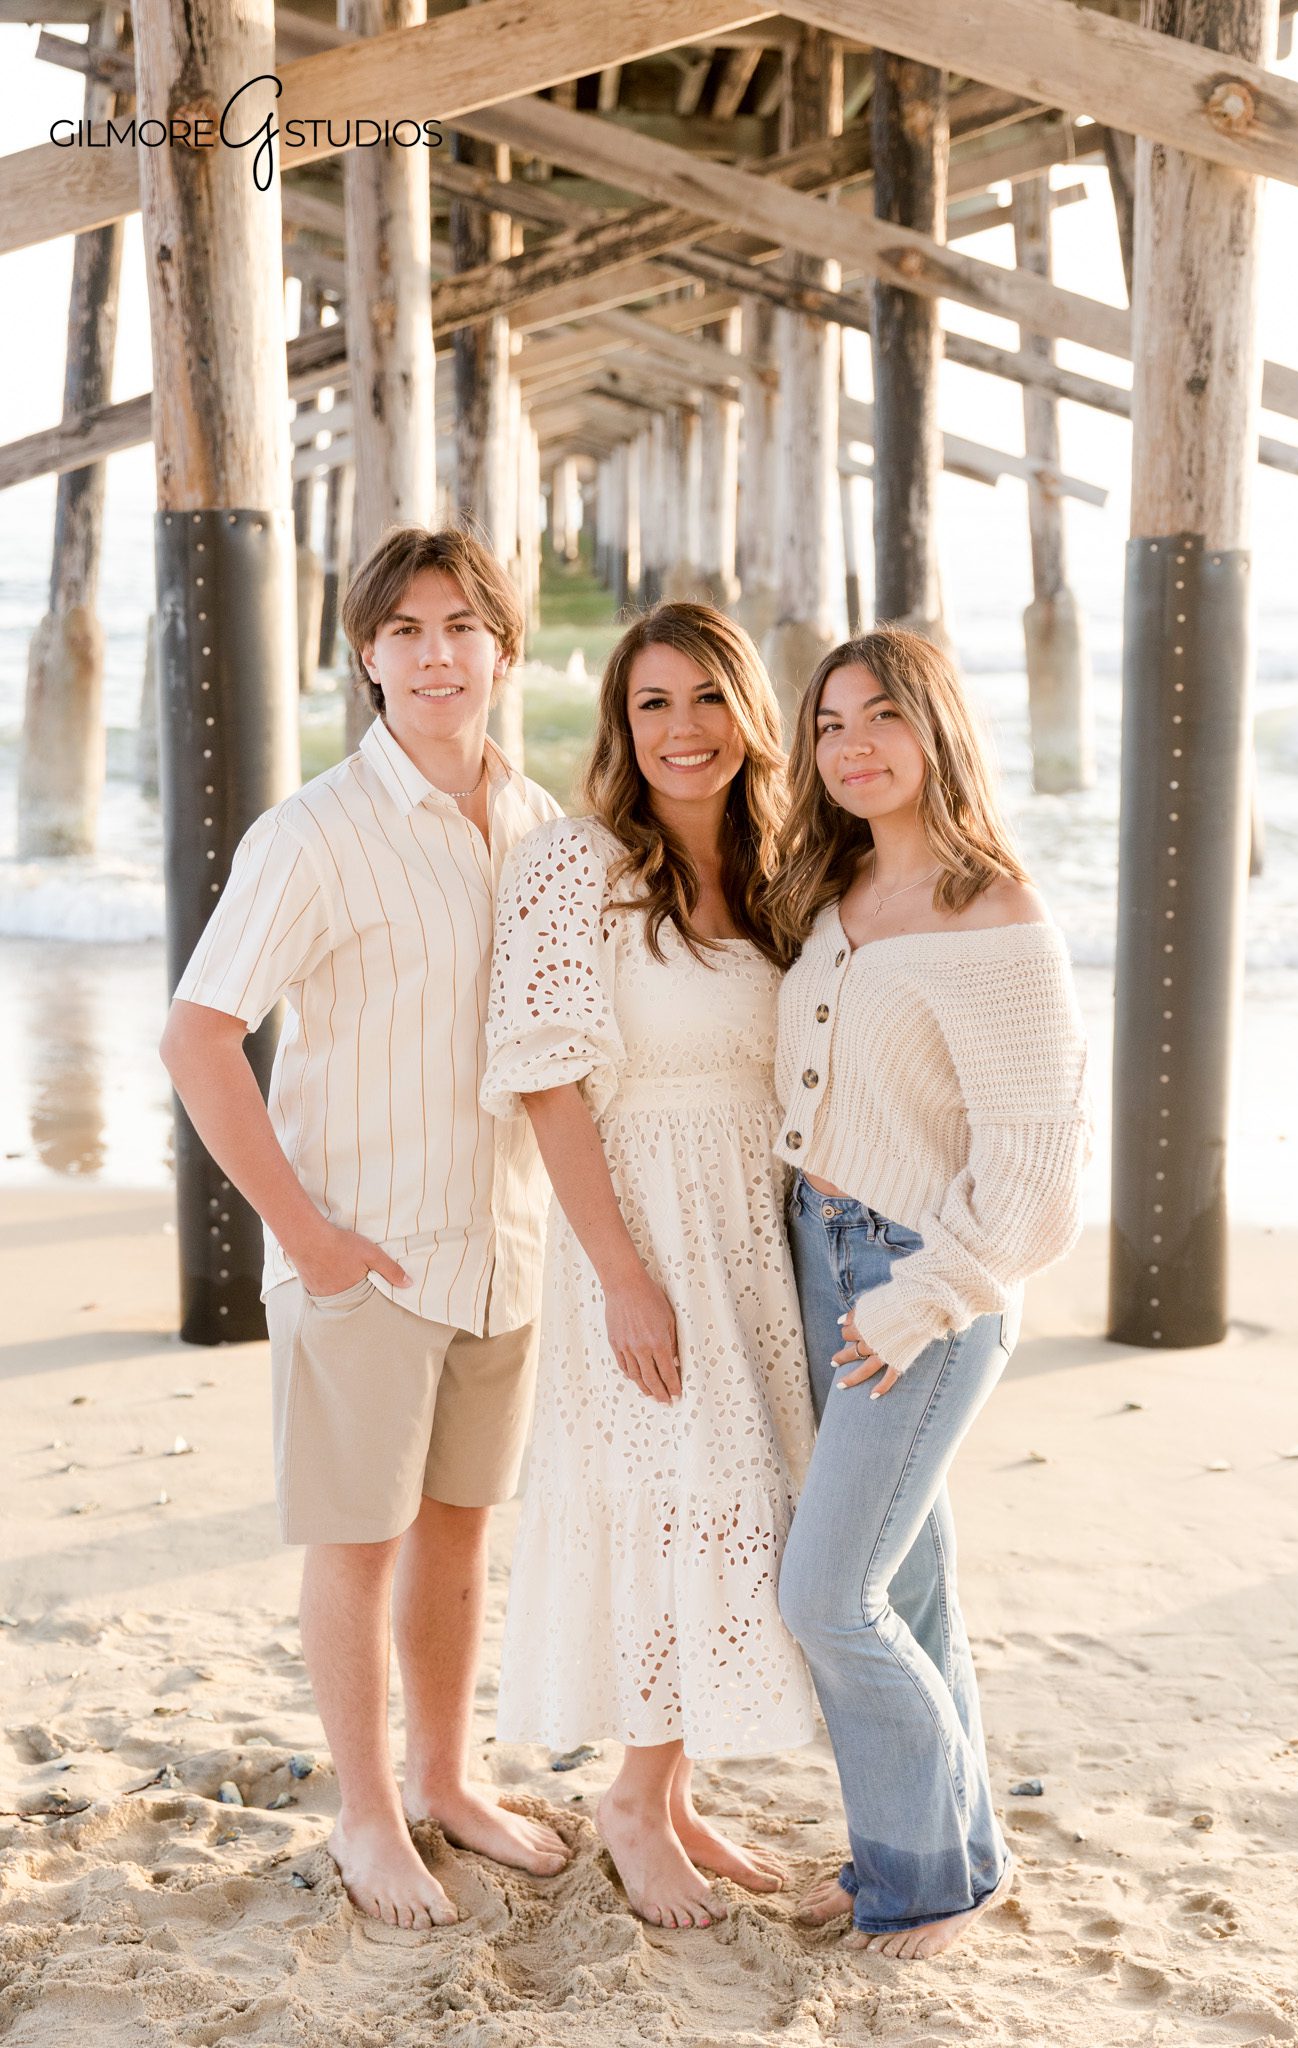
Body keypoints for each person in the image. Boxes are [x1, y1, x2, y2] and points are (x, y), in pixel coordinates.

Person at [160, 525, 570, 1931]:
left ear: (504, 652)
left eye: (461, 625)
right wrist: (310, 1236)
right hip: (369, 1255)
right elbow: (200, 1036)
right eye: (404, 628)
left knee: (458, 1535)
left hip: (504, 1249)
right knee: (358, 1543)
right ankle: (365, 1814)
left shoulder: (542, 826)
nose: (436, 652)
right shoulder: (313, 834)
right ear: (366, 657)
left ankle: (449, 1781)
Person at [480, 603, 816, 1932]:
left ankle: (668, 1795)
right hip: (638, 1232)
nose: (681, 730)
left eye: (705, 699)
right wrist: (621, 1274)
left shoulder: (781, 875)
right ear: (620, 728)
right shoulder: (577, 869)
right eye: (650, 704)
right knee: (671, 1494)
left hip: (750, 1235)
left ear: (749, 715)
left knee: (732, 1502)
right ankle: (630, 1795)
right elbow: (549, 1085)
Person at [766, 627, 1091, 1960]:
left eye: (882, 716)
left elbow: (1040, 1168)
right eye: (831, 721)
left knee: (827, 1597)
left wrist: (918, 1299)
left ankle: (935, 1883)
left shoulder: (994, 913)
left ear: (936, 730)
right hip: (818, 1254)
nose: (852, 743)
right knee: (907, 1595)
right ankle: (922, 1850)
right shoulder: (832, 896)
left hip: (919, 1287)